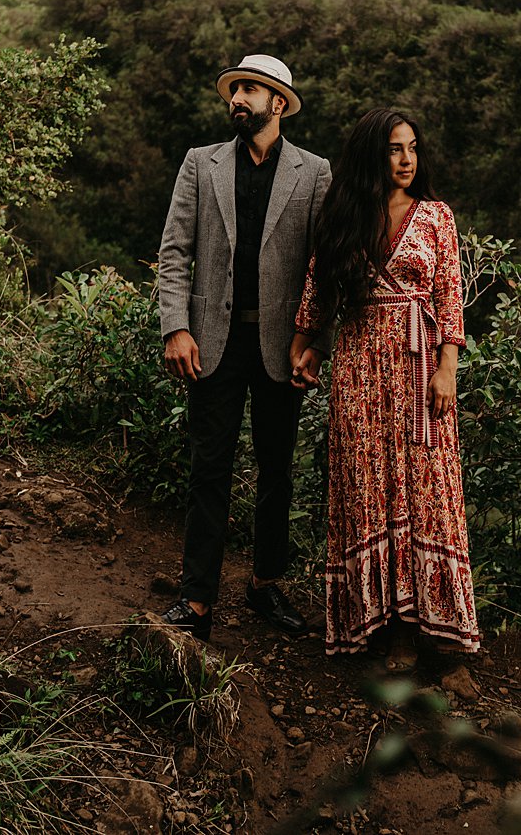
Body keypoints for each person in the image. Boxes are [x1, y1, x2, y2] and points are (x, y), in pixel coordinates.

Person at [290, 108, 480, 668]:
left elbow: (449, 295)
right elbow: (318, 288)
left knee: (428, 487)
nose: (406, 160)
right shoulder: (348, 214)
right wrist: (305, 346)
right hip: (358, 365)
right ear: (374, 155)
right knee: (365, 482)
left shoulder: (436, 216)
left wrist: (447, 368)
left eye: (413, 149)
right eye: (395, 149)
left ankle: (435, 631)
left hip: (420, 366)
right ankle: (378, 626)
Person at [157, 54, 332, 642]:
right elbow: (175, 251)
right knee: (209, 466)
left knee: (277, 470)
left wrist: (313, 343)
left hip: (281, 346)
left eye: (250, 90)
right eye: (234, 90)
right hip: (212, 340)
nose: (238, 99)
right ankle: (197, 599)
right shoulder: (199, 164)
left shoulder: (315, 173)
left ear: (278, 103)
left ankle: (264, 585)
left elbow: (322, 267)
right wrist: (175, 327)